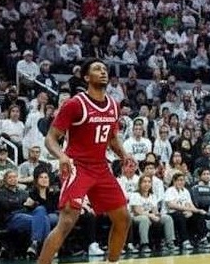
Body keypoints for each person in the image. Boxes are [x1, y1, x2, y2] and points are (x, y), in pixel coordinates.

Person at [36, 58, 134, 264]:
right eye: (98, 69)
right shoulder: (75, 104)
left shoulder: (114, 106)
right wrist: (62, 156)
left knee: (123, 219)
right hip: (77, 167)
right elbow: (50, 138)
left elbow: (112, 137)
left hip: (101, 167)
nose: (103, 72)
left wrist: (124, 155)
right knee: (68, 221)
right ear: (87, 77)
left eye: (105, 69)